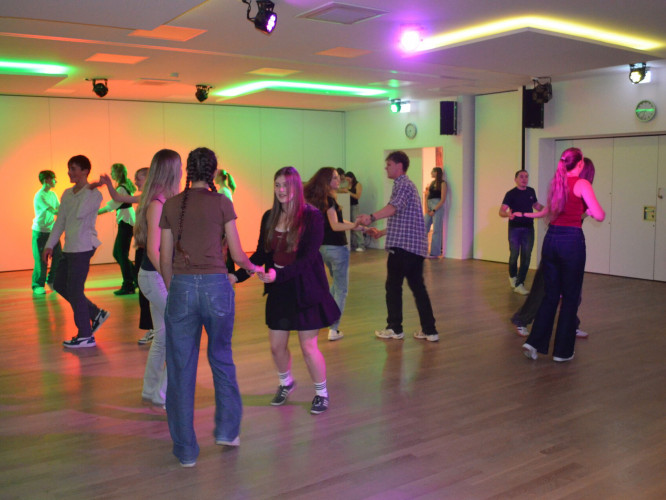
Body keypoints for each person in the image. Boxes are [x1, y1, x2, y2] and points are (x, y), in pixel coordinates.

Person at [159, 147, 260, 467]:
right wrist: (254, 269)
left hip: (182, 289)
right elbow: (238, 254)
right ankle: (228, 431)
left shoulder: (172, 205)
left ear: (188, 172)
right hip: (217, 289)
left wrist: (174, 287)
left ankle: (186, 451)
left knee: (180, 369)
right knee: (221, 358)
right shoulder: (222, 202)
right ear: (214, 172)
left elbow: (164, 257)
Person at [237, 166, 339, 415]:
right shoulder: (269, 217)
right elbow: (261, 254)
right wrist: (237, 275)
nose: (281, 190)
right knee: (276, 346)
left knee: (308, 347)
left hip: (306, 288)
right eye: (277, 185)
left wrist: (277, 275)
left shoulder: (312, 217)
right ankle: (286, 382)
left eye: (286, 185)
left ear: (296, 187)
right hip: (280, 289)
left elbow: (307, 259)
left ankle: (321, 393)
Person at [521, 148, 605, 362]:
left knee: (550, 295)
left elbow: (551, 212)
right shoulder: (582, 184)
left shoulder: (556, 183)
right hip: (571, 242)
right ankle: (562, 352)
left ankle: (534, 342)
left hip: (551, 240)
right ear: (580, 164)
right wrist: (590, 212)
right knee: (570, 297)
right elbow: (599, 215)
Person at [357, 151, 439, 342]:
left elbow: (393, 208)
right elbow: (404, 220)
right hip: (414, 249)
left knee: (393, 287)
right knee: (418, 289)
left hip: (403, 249)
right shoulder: (408, 186)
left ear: (399, 166)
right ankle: (430, 330)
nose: (386, 168)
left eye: (389, 164)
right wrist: (382, 232)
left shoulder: (403, 185)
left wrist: (371, 217)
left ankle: (394, 327)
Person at [511, 158, 596, 338]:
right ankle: (522, 320)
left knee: (573, 290)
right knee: (543, 287)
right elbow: (557, 214)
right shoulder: (565, 188)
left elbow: (577, 217)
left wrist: (587, 212)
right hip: (556, 242)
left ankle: (571, 324)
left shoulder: (582, 191)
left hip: (570, 244)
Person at [132, 151, 182, 409]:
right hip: (155, 277)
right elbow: (153, 250)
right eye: (180, 167)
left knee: (162, 336)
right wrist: (169, 280)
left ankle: (152, 391)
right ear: (171, 170)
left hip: (153, 277)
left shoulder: (162, 200)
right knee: (182, 335)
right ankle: (163, 394)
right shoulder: (158, 204)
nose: (182, 171)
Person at [43, 155, 108, 348]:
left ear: (85, 171)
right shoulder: (67, 193)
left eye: (73, 169)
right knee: (59, 284)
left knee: (75, 290)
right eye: (69, 168)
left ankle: (85, 335)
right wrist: (49, 245)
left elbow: (80, 213)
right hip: (70, 248)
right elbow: (61, 222)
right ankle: (95, 313)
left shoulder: (95, 194)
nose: (69, 172)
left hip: (83, 247)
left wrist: (89, 188)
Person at [304, 167, 361, 341]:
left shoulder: (319, 200)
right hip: (336, 249)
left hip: (323, 249)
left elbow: (337, 221)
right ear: (326, 181)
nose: (339, 180)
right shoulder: (329, 200)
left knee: (335, 286)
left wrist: (358, 226)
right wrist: (353, 226)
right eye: (335, 178)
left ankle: (322, 316)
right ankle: (334, 329)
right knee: (341, 289)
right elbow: (336, 226)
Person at [499, 170, 543, 295]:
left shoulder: (531, 191)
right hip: (515, 229)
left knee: (526, 256)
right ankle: (513, 276)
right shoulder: (511, 194)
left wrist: (548, 210)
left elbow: (536, 205)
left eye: (526, 177)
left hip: (528, 228)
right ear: (516, 179)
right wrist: (507, 214)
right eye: (521, 176)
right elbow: (501, 211)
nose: (524, 179)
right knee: (514, 255)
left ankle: (520, 284)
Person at [98, 163, 137, 295]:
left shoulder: (121, 188)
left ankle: (128, 285)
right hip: (127, 221)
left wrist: (94, 212)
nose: (111, 174)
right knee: (119, 254)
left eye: (113, 172)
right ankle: (135, 279)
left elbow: (111, 206)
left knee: (121, 254)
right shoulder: (124, 186)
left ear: (118, 173)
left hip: (126, 222)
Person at [31, 170, 62, 295]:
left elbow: (59, 208)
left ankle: (52, 280)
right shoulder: (40, 196)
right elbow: (54, 211)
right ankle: (37, 285)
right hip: (40, 232)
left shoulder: (53, 194)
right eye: (53, 178)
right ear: (46, 180)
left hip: (52, 231)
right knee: (41, 260)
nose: (55, 181)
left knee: (58, 256)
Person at [423, 167, 448, 258]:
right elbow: (427, 196)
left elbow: (443, 199)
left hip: (437, 206)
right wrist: (427, 208)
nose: (431, 173)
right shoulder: (432, 183)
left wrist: (434, 210)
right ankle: (423, 250)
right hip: (429, 205)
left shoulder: (443, 183)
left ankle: (435, 252)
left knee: (436, 229)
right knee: (423, 227)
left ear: (436, 172)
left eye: (432, 172)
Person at [346, 171, 365, 252]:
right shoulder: (347, 185)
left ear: (352, 178)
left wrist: (348, 192)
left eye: (348, 179)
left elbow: (357, 196)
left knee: (356, 224)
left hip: (354, 206)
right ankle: (353, 244)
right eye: (346, 179)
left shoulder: (358, 184)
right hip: (347, 206)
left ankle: (361, 245)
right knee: (349, 225)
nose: (347, 181)